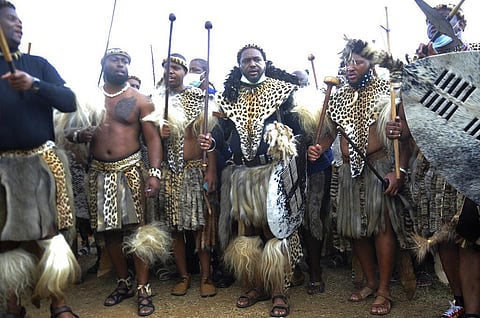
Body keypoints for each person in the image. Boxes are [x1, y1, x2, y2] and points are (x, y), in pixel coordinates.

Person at [387, 4, 479, 317]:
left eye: (446, 20)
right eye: (430, 22)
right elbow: (410, 122)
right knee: (445, 239)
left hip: (471, 163)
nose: (436, 26)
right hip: (433, 167)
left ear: (461, 24)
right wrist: (399, 128)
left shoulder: (477, 55)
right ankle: (459, 302)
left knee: (472, 238)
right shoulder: (419, 67)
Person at [308, 38, 412, 315]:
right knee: (356, 230)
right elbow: (330, 132)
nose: (350, 66)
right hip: (347, 171)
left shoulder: (389, 91)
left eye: (358, 61)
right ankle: (369, 281)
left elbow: (405, 135)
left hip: (380, 167)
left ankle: (384, 291)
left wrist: (398, 170)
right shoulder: (337, 96)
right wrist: (320, 148)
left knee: (382, 229)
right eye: (347, 62)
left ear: (372, 64)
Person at [71, 48, 170, 317]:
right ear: (103, 63)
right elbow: (71, 132)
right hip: (99, 172)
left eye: (125, 61)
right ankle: (123, 282)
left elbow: (152, 140)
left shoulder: (140, 100)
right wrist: (81, 135)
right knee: (109, 231)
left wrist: (154, 173)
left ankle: (143, 288)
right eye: (115, 60)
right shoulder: (89, 99)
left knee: (138, 231)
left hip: (131, 170)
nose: (121, 64)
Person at [211, 44, 307, 318]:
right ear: (239, 65)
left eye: (256, 59)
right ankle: (254, 286)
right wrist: (211, 142)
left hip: (271, 174)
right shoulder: (230, 96)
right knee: (248, 234)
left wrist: (285, 137)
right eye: (246, 61)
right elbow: (222, 131)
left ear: (265, 62)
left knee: (274, 232)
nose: (252, 64)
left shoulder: (282, 91)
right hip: (242, 175)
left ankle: (278, 291)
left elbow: (299, 131)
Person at [0, 1, 81, 317]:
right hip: (2, 167)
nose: (19, 25)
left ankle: (59, 304)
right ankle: (12, 303)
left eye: (20, 20)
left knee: (50, 234)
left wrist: (34, 85)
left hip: (41, 164)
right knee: (5, 239)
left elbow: (69, 101)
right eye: (10, 19)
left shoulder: (38, 64)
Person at [143, 53, 217, 298]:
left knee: (201, 226)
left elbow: (208, 139)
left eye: (176, 67)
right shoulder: (156, 101)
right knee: (175, 228)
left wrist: (212, 170)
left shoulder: (200, 98)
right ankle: (183, 275)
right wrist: (160, 131)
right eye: (167, 68)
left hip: (196, 169)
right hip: (170, 172)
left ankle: (205, 276)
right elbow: (150, 142)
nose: (170, 72)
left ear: (185, 72)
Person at [291, 69, 334, 294]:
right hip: (288, 168)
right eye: (295, 81)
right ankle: (295, 267)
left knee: (312, 217)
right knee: (290, 220)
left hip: (316, 169)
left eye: (302, 81)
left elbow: (331, 130)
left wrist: (320, 148)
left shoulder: (317, 102)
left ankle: (316, 271)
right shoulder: (283, 101)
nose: (299, 84)